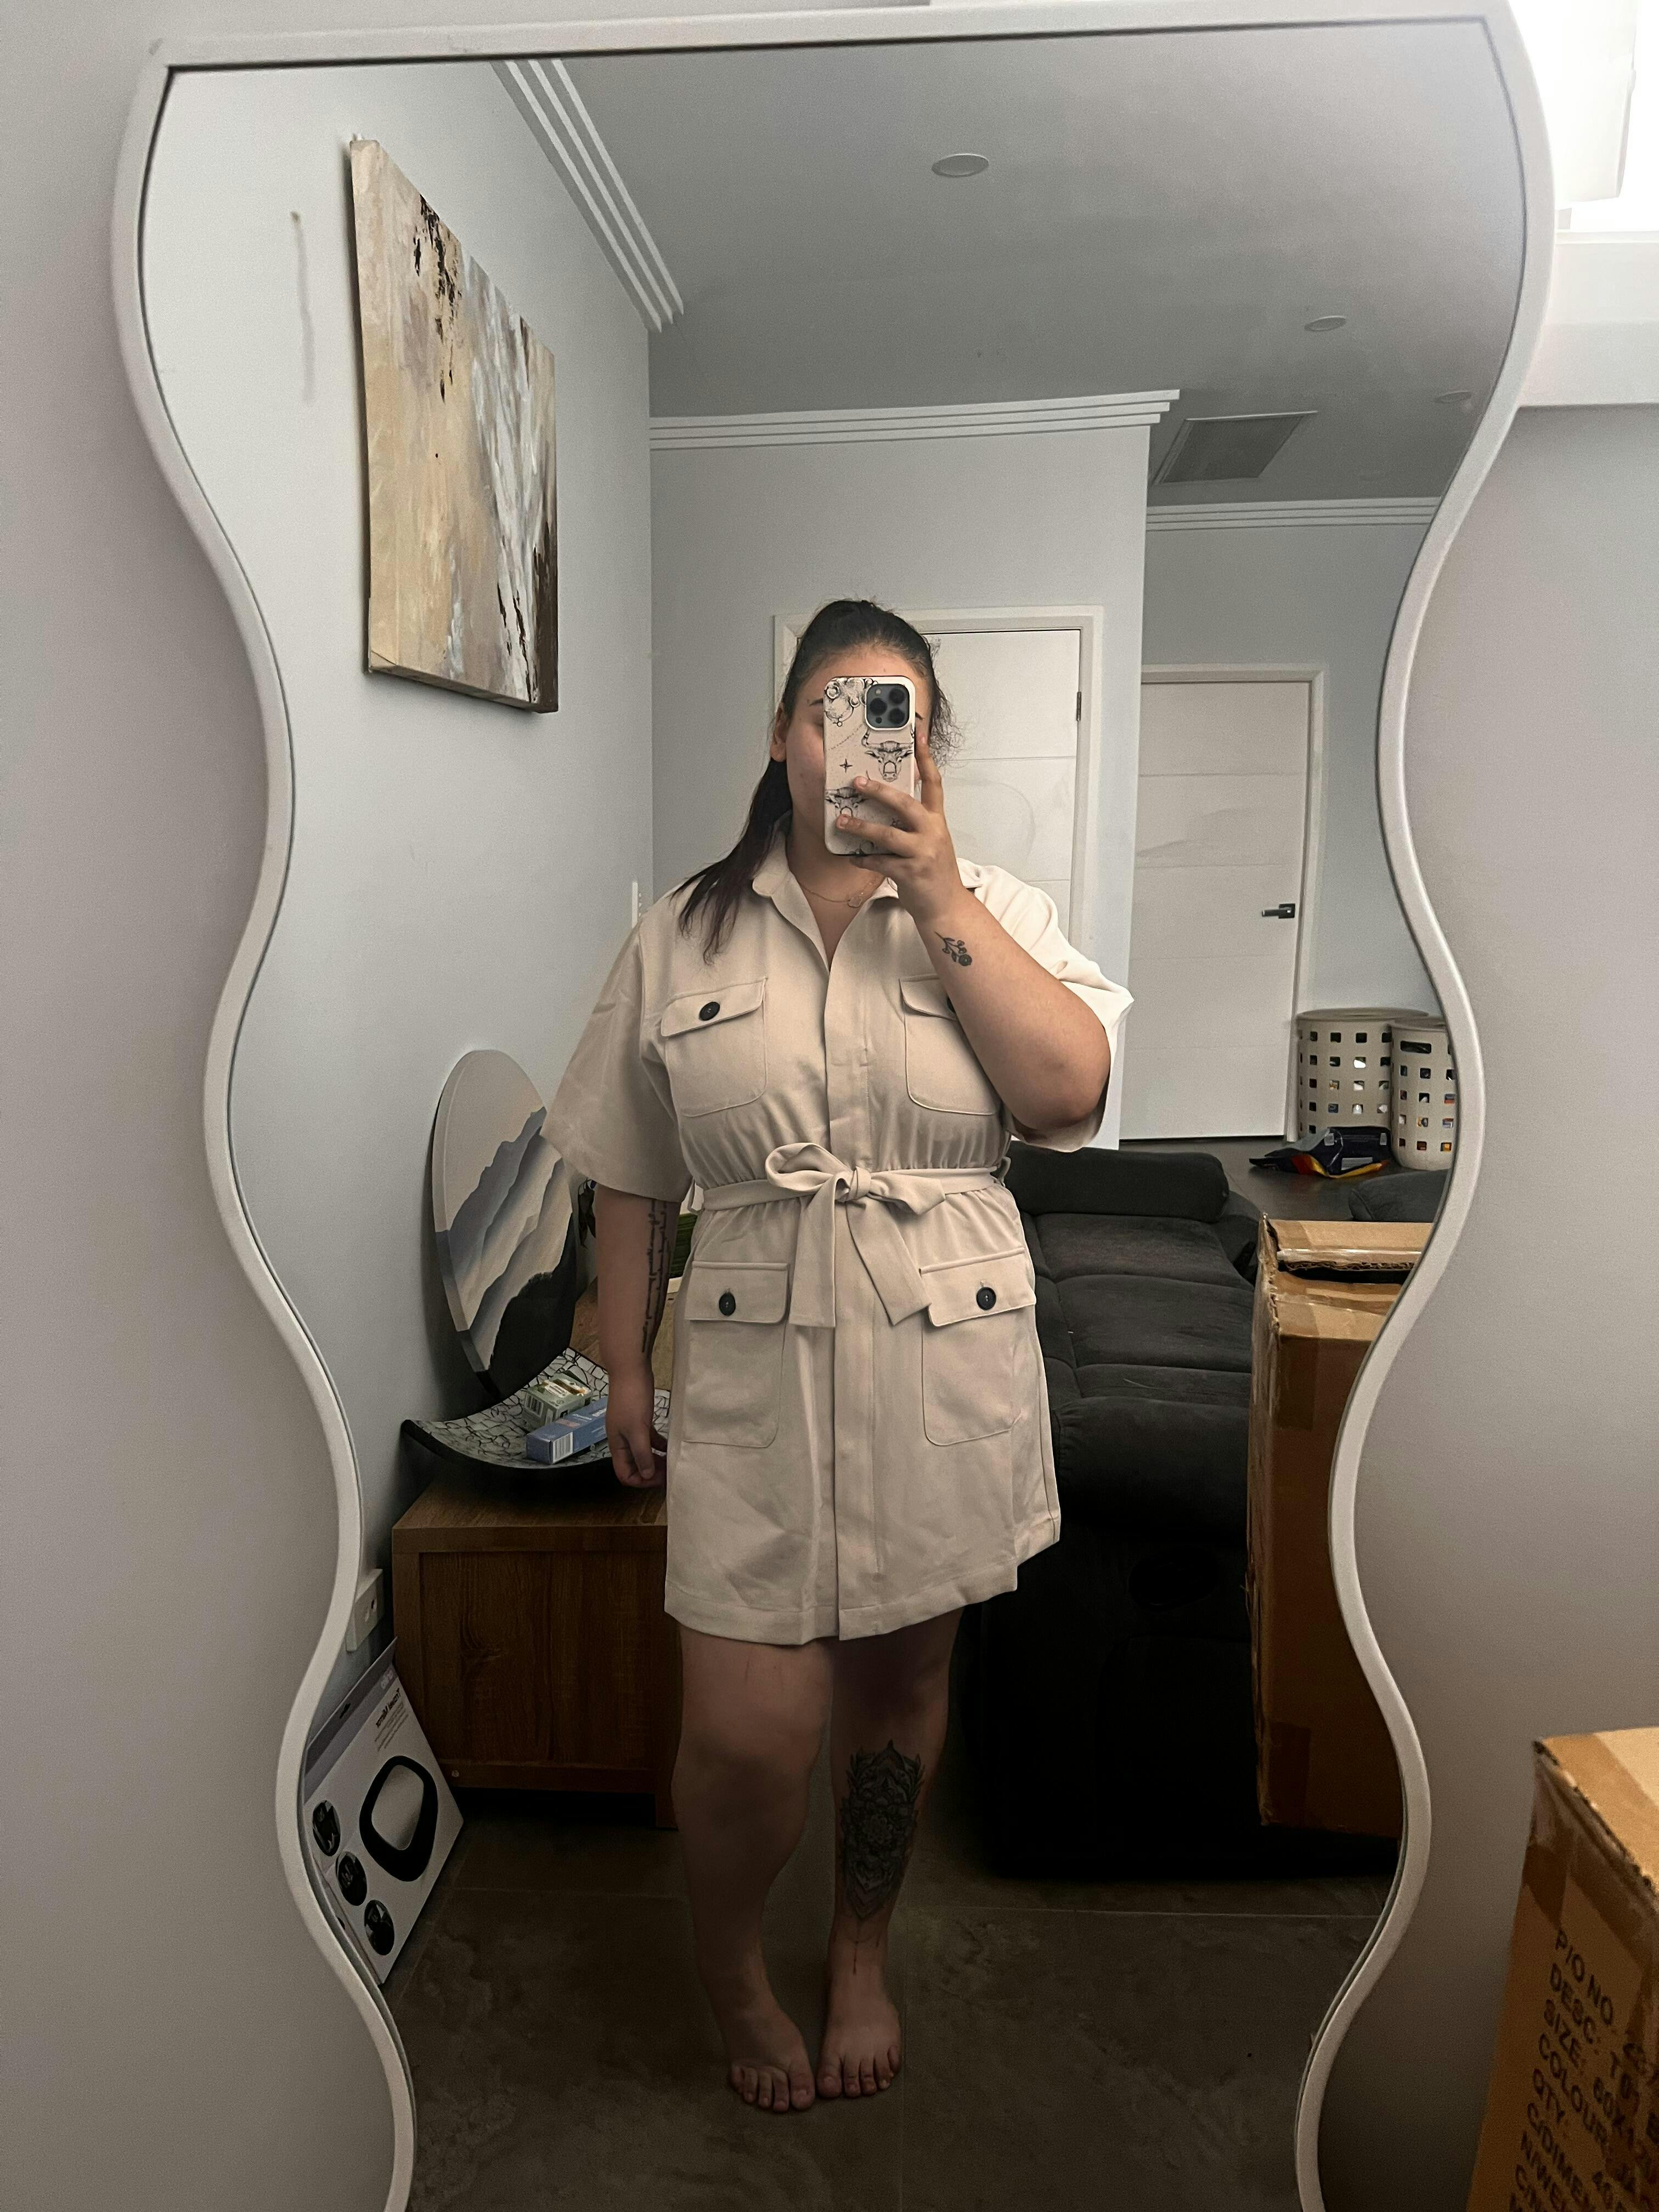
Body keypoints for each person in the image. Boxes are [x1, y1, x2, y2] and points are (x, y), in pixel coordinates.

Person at [547, 599, 1132, 2116]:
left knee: (897, 1687)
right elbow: (626, 1175)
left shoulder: (993, 908)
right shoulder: (682, 933)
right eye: (832, 707)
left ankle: (860, 1949)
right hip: (752, 1360)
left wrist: (936, 890)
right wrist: (626, 1369)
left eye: (896, 715)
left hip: (942, 1356)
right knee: (749, 1735)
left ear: (929, 749)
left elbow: (1069, 1096)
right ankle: (735, 1968)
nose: (861, 738)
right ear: (783, 735)